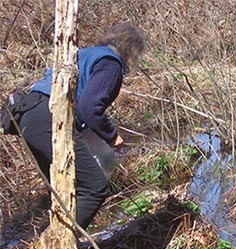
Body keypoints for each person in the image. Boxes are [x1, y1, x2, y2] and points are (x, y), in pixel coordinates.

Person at [19, 23, 145, 229]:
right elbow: (89, 108)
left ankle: (50, 244)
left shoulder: (85, 54)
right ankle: (60, 246)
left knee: (63, 187)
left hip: (29, 117)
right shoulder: (110, 63)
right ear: (131, 50)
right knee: (96, 187)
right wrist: (112, 136)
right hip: (48, 118)